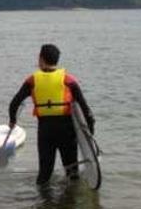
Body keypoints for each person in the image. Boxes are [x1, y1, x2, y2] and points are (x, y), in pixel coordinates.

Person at [9, 44, 95, 185]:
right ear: (57, 60)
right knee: (72, 172)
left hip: (45, 131)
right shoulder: (68, 80)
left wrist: (12, 121)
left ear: (41, 58)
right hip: (67, 130)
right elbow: (86, 111)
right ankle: (70, 203)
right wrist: (90, 132)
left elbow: (14, 104)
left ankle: (43, 203)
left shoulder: (32, 80)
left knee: (44, 174)